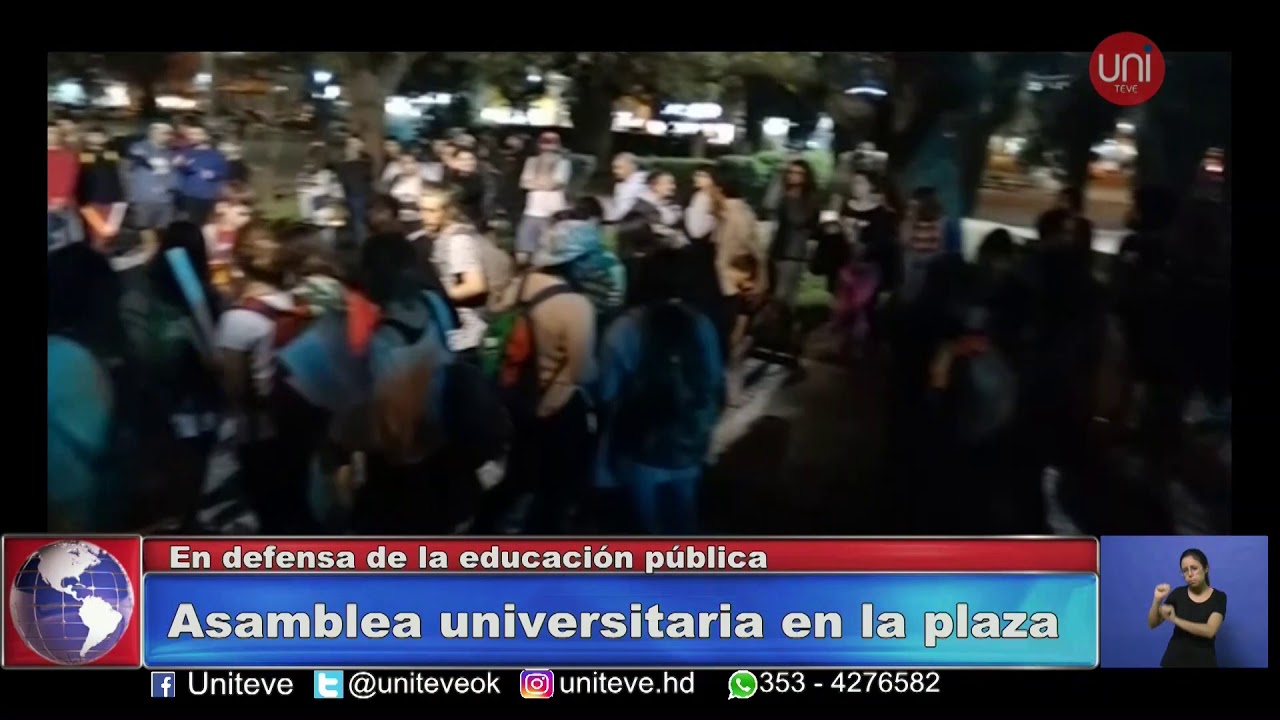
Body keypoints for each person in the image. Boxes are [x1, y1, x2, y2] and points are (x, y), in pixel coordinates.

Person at [1150, 548, 1227, 668]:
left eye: (1194, 568)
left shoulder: (1219, 597)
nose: (1189, 574)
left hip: (1204, 663)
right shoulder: (1178, 594)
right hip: (1172, 662)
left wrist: (1175, 619)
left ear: (1206, 568)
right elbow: (1152, 624)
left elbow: (1210, 631)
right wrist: (1157, 600)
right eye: (1185, 570)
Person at [515, 132, 571, 265]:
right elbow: (524, 184)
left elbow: (555, 184)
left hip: (554, 213)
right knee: (522, 252)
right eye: (545, 141)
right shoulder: (531, 161)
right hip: (531, 212)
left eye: (552, 141)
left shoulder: (564, 163)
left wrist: (536, 182)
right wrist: (543, 182)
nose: (548, 145)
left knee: (548, 252)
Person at [127, 122, 177, 233]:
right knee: (145, 228)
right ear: (152, 133)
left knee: (163, 230)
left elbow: (174, 173)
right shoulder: (139, 147)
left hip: (166, 199)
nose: (168, 136)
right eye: (164, 133)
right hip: (144, 198)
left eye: (169, 134)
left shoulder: (171, 152)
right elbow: (138, 159)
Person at [174, 122, 228, 225]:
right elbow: (178, 172)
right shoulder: (184, 152)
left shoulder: (217, 155)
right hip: (188, 197)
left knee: (206, 226)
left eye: (197, 134)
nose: (193, 136)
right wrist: (180, 166)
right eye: (190, 134)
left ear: (206, 136)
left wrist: (213, 174)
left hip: (209, 198)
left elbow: (224, 174)